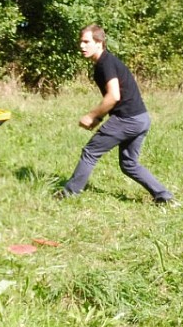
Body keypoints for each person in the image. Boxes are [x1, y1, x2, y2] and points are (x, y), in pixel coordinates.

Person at [57, 24, 175, 204]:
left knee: (90, 152)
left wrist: (91, 116)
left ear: (99, 43)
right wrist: (99, 117)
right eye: (80, 42)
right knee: (129, 164)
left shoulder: (105, 63)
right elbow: (116, 97)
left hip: (127, 120)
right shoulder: (104, 63)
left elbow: (113, 96)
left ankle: (69, 195)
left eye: (86, 42)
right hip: (141, 119)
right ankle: (164, 196)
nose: (81, 46)